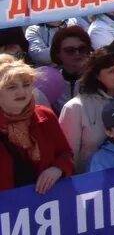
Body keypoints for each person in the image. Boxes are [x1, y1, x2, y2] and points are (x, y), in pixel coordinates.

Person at [59, 43, 114, 171]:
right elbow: (67, 157)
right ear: (97, 75)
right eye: (111, 71)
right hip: (92, 184)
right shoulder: (75, 108)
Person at [0, 55, 74, 193]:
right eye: (11, 87)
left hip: (46, 203)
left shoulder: (45, 116)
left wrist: (57, 168)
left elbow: (66, 154)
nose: (21, 92)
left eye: (26, 85)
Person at [34, 26, 91, 115]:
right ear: (57, 54)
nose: (77, 53)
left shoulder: (99, 77)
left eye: (82, 48)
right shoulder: (49, 81)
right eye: (70, 50)